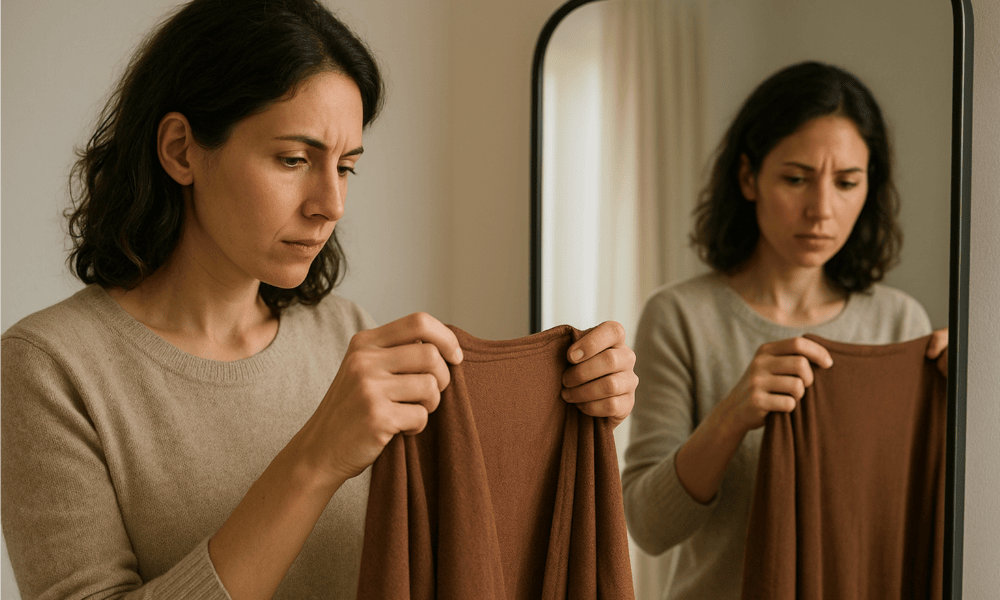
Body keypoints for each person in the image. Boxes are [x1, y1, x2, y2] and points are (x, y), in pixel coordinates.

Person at [0, 1, 638, 598]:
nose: (330, 204)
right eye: (292, 159)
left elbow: (465, 548)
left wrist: (571, 410)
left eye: (347, 166)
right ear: (180, 149)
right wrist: (315, 459)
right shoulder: (48, 368)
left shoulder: (349, 337)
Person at [620, 60, 949, 600]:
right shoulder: (679, 317)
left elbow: (911, 514)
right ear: (749, 178)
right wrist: (730, 417)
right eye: (796, 179)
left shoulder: (900, 322)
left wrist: (961, 406)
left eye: (847, 182)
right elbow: (649, 528)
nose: (821, 209)